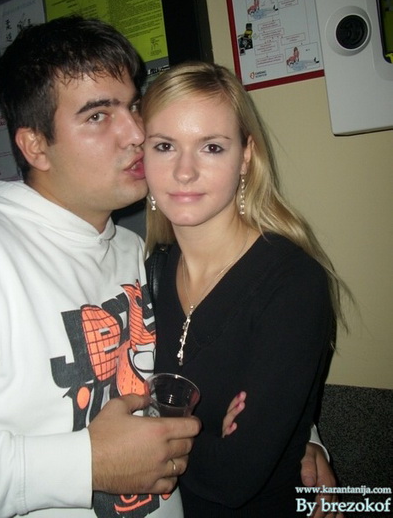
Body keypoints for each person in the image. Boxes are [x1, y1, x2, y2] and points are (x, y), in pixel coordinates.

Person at [0, 16, 201, 518]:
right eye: (98, 115)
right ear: (35, 146)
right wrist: (85, 463)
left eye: (132, 105)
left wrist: (298, 437)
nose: (137, 133)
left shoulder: (129, 247)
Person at [141, 60, 348, 517]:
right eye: (165, 146)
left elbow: (233, 476)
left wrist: (148, 435)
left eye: (212, 147)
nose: (184, 171)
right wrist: (201, 433)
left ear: (246, 157)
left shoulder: (291, 283)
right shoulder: (147, 271)